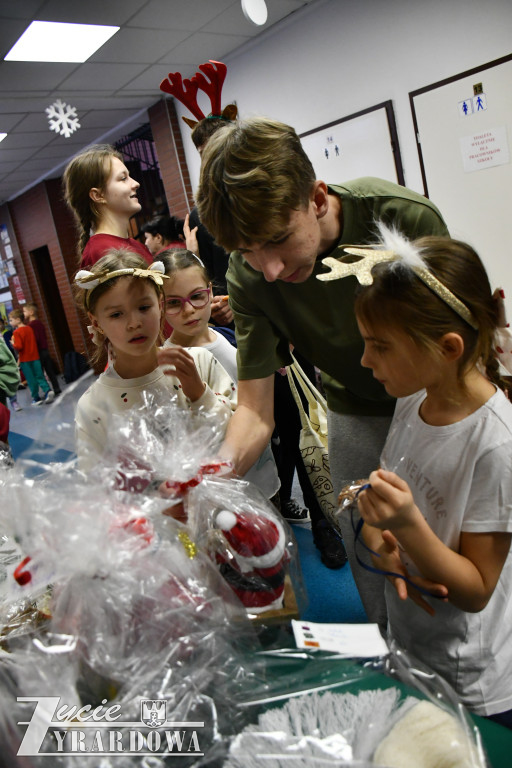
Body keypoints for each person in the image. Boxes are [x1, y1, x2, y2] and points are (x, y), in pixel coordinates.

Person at [195, 116, 449, 626]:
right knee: (370, 555)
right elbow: (255, 408)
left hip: (436, 402)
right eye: (247, 251)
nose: (268, 268)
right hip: (354, 407)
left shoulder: (399, 218)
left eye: (277, 239)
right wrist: (210, 477)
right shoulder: (250, 275)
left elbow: (456, 349)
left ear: (316, 197)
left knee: (452, 547)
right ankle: (396, 654)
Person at [352, 227, 512, 725]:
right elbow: (386, 488)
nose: (365, 360)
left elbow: (476, 589)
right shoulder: (411, 400)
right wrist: (382, 539)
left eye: (379, 346)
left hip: (473, 682)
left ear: (446, 347)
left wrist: (406, 527)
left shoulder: (496, 446)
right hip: (415, 650)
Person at [73, 250, 236, 473]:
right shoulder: (93, 405)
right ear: (96, 322)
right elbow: (96, 485)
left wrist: (199, 394)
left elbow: (237, 435)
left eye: (143, 307)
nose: (134, 323)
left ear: (160, 305)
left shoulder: (199, 362)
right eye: (116, 314)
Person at [159, 248, 280, 505]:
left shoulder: (228, 339)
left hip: (262, 479)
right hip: (211, 492)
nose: (188, 310)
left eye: (196, 297)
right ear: (160, 306)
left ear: (210, 291)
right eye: (173, 302)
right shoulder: (167, 362)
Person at [63, 144, 152, 268]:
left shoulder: (136, 246)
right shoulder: (102, 252)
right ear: (98, 195)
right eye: (123, 178)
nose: (135, 184)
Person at [8, 309, 53, 406]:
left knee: (31, 378)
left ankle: (36, 398)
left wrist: (13, 343)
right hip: (35, 357)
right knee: (39, 375)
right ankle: (47, 390)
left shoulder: (16, 332)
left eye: (11, 320)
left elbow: (19, 347)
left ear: (18, 319)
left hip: (25, 360)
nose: (10, 322)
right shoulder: (29, 328)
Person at [22, 303, 62, 396]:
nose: (23, 313)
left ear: (31, 312)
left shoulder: (31, 326)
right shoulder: (40, 323)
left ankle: (47, 390)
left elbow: (35, 339)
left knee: (39, 372)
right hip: (45, 350)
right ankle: (56, 388)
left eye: (24, 311)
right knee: (49, 370)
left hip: (38, 351)